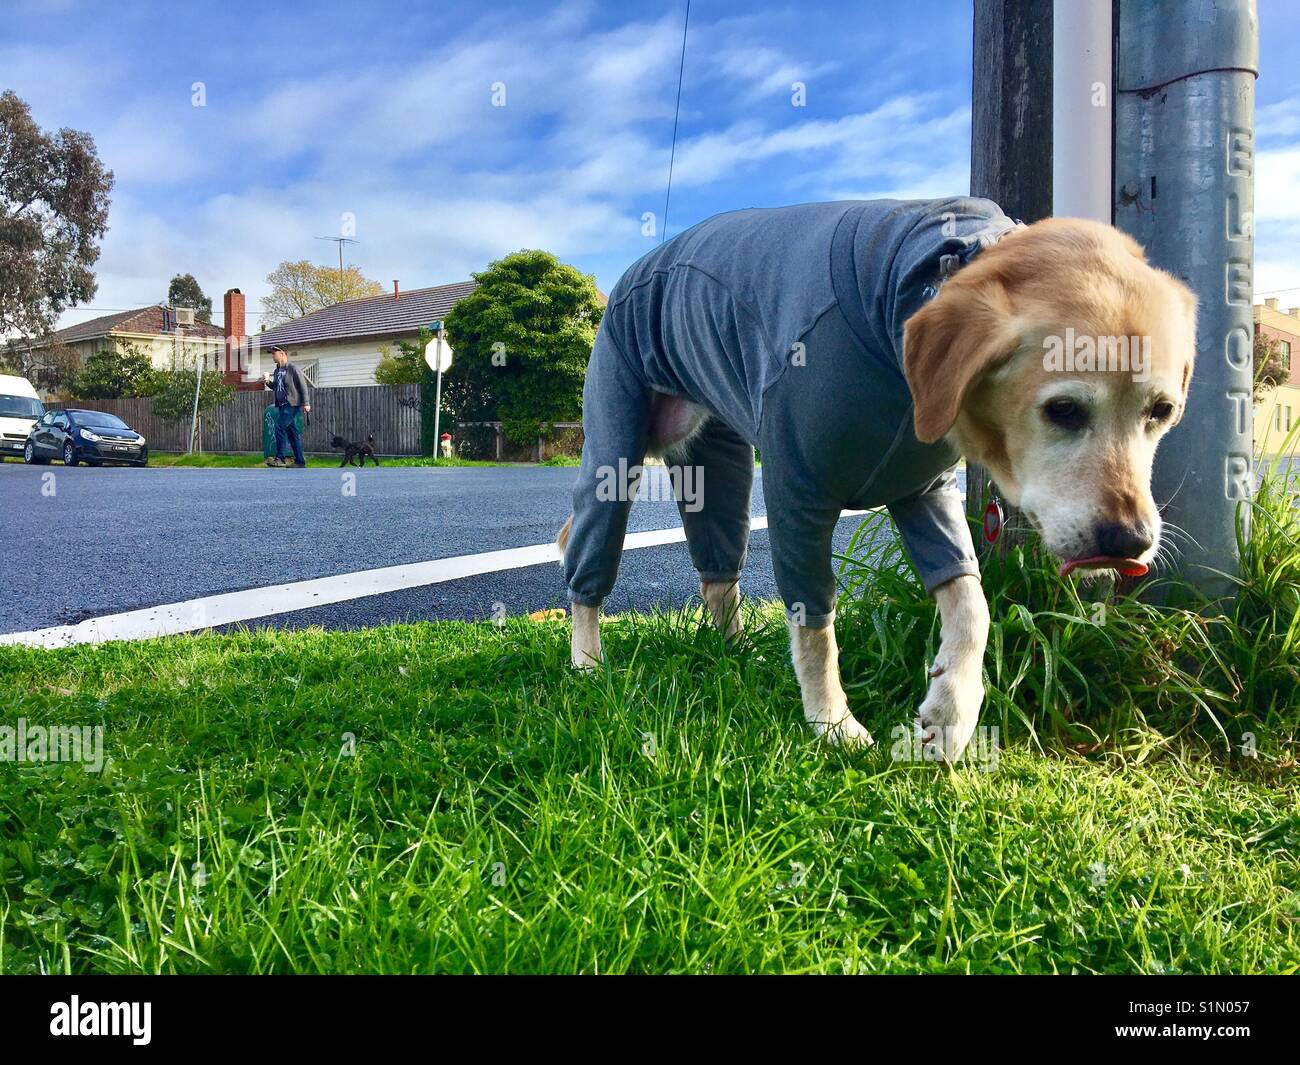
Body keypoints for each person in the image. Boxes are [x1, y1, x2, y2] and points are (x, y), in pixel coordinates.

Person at [263, 346, 311, 468]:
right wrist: (268, 381)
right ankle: (300, 461)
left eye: (274, 353)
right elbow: (277, 388)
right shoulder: (277, 371)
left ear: (282, 353)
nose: (272, 356)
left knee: (279, 427)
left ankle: (280, 458)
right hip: (282, 405)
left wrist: (306, 403)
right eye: (272, 354)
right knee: (292, 434)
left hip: (292, 404)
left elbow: (303, 385)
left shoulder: (292, 368)